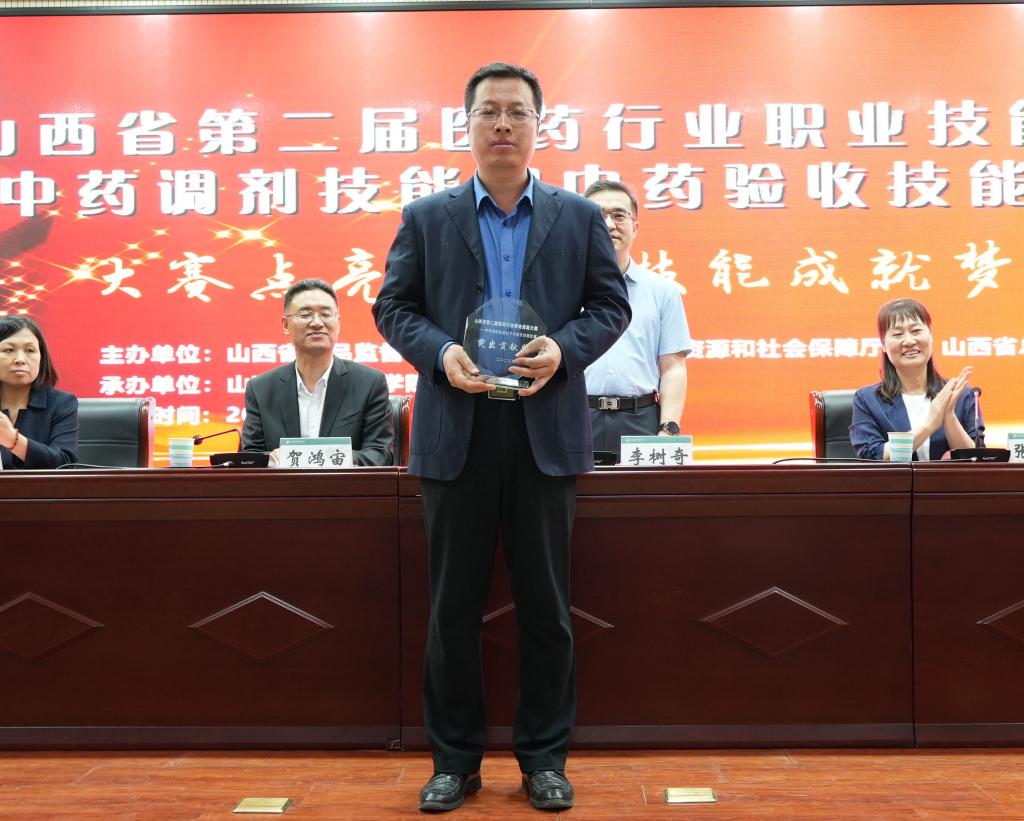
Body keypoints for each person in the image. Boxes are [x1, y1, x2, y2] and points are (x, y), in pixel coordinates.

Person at [373, 63, 630, 812]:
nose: (503, 125)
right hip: (457, 429)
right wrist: (441, 355)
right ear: (468, 125)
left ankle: (544, 759)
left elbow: (609, 306)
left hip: (543, 431)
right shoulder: (427, 216)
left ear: (538, 124)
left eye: (517, 111)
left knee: (546, 608)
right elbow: (394, 307)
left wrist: (563, 351)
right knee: (451, 609)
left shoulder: (576, 216)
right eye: (489, 112)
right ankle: (454, 763)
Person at [582, 180, 691, 456]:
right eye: (599, 216)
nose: (609, 225)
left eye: (619, 215)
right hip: (577, 417)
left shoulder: (662, 290)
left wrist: (668, 429)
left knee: (643, 487)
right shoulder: (562, 289)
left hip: (641, 419)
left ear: (635, 227)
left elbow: (673, 367)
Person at [242, 278, 393, 466]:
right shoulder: (260, 389)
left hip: (345, 485)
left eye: (326, 314)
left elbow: (380, 454)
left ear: (338, 323)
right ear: (286, 325)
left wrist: (311, 457)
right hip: (283, 485)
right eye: (305, 315)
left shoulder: (370, 383)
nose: (316, 323)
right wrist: (272, 460)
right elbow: (251, 457)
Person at [850, 298, 981, 460]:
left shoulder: (961, 395)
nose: (909, 341)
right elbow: (872, 455)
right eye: (897, 334)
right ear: (883, 345)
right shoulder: (868, 400)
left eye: (916, 331)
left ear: (931, 337)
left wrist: (949, 416)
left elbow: (976, 460)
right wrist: (928, 426)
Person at [0, 316, 78, 469]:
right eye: (9, 350)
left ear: (41, 358)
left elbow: (65, 465)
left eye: (30, 350)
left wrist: (13, 440)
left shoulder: (61, 403)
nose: (20, 359)